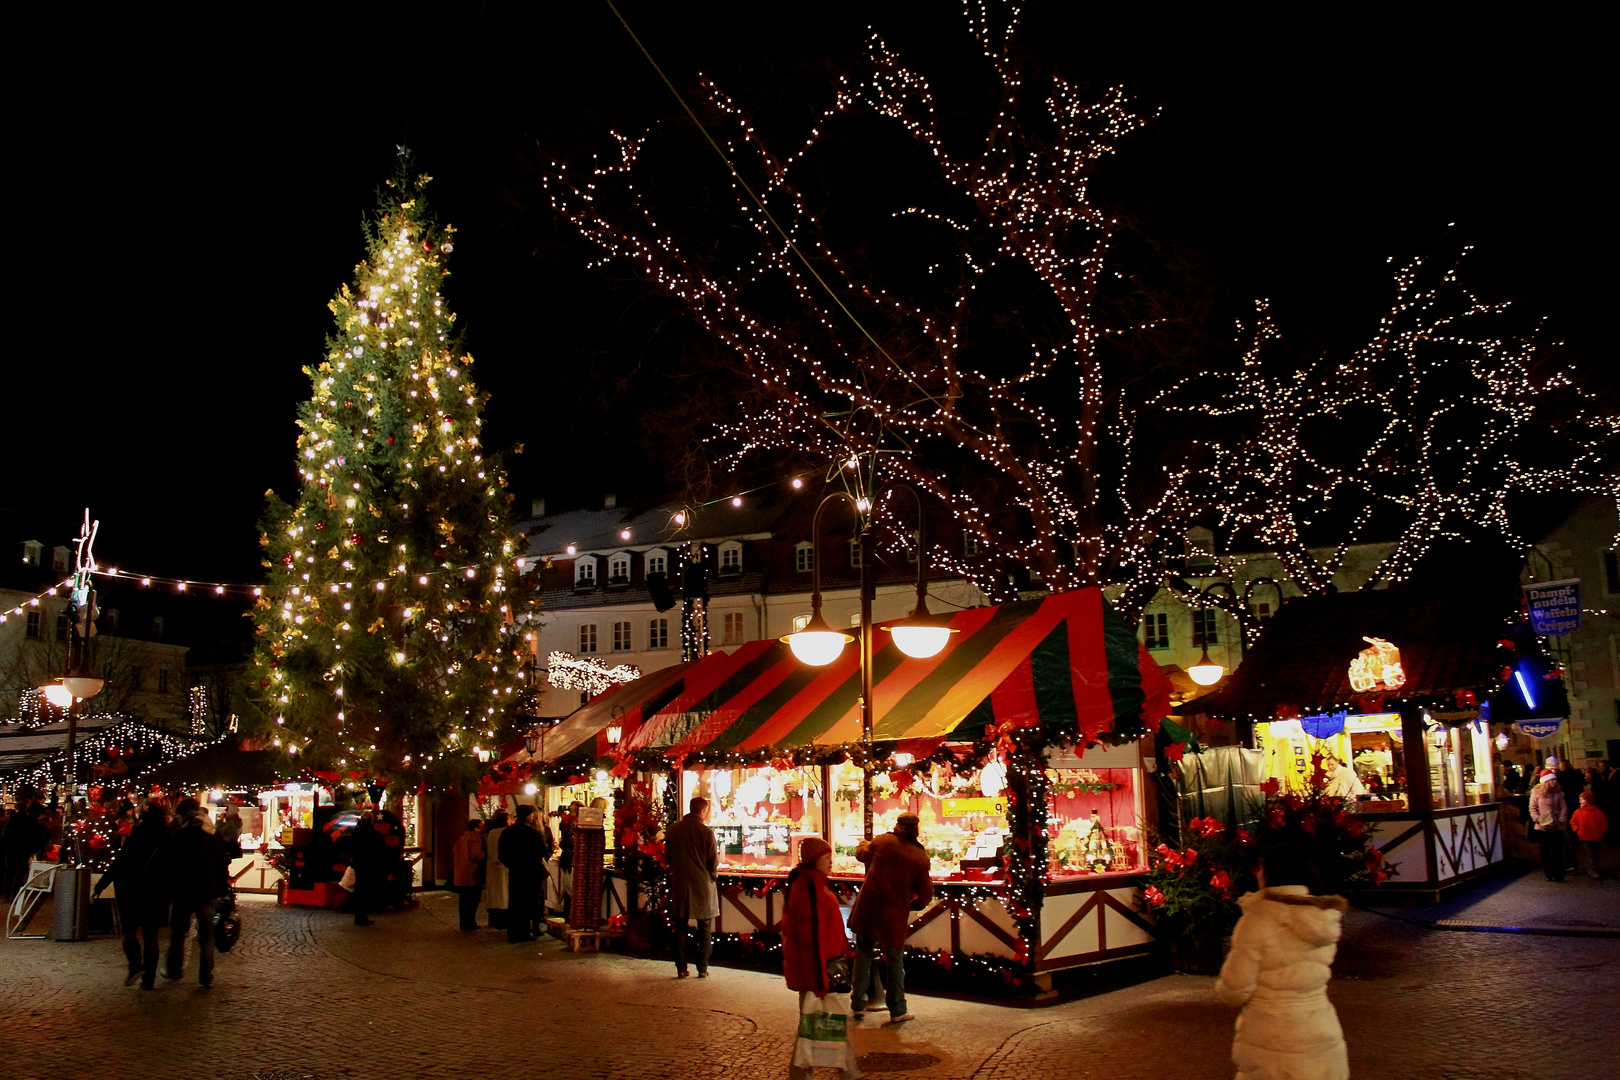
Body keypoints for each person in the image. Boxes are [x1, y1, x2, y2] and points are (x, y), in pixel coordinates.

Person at [1215, 845, 1349, 1080]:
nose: (1257, 873)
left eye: (1261, 868)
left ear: (1271, 873)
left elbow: (1234, 990)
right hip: (1320, 1027)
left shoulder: (1258, 920)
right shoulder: (1322, 920)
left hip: (1271, 1038)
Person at [782, 837, 857, 1080]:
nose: (831, 862)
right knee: (815, 1022)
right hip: (819, 968)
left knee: (824, 1020)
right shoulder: (809, 887)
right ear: (814, 859)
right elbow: (811, 936)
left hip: (827, 965)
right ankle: (836, 1072)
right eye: (826, 857)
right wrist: (819, 977)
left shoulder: (815, 883)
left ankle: (843, 1071)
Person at [848, 812, 932, 1024]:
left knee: (863, 953)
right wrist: (915, 904)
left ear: (898, 825)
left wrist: (861, 843)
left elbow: (862, 855)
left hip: (870, 907)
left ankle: (858, 1003)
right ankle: (897, 1009)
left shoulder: (883, 841)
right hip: (894, 914)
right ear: (916, 829)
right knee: (895, 960)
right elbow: (925, 894)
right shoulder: (919, 856)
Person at [93, 803, 171, 988]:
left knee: (128, 933)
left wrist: (101, 884)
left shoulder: (138, 834)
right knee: (152, 936)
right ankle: (149, 979)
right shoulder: (168, 837)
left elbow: (121, 861)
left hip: (132, 890)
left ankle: (136, 965)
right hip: (156, 892)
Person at [162, 798, 229, 988]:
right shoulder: (213, 832)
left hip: (184, 890)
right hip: (207, 890)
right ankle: (206, 976)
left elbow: (173, 862)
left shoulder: (183, 832)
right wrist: (222, 890)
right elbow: (221, 863)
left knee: (178, 933)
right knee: (207, 935)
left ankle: (174, 970)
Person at [665, 796, 718, 978]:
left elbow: (668, 858)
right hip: (702, 885)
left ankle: (681, 968)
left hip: (681, 884)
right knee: (704, 927)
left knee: (680, 927)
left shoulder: (673, 830)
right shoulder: (705, 832)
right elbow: (713, 861)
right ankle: (702, 968)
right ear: (703, 811)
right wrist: (713, 875)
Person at [499, 805, 546, 942]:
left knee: (515, 901)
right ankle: (524, 933)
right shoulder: (532, 833)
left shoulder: (507, 832)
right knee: (529, 902)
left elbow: (501, 854)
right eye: (531, 815)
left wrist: (510, 864)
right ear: (527, 816)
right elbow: (542, 850)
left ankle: (514, 932)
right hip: (531, 872)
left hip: (515, 872)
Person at [1529, 770, 1570, 882]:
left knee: (1558, 850)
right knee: (1546, 851)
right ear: (1546, 781)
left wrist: (1561, 820)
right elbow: (1532, 807)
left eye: (1555, 779)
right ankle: (1549, 873)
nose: (1554, 782)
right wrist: (1538, 820)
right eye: (1552, 779)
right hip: (1543, 826)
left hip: (1557, 825)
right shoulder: (1536, 792)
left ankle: (1559, 874)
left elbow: (1563, 807)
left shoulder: (1558, 792)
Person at [348, 812, 385, 925]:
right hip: (370, 866)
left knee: (359, 890)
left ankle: (359, 916)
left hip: (360, 865)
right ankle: (362, 916)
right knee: (366, 891)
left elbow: (352, 848)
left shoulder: (356, 833)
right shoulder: (375, 834)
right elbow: (381, 851)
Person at [451, 818, 486, 930]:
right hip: (472, 873)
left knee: (464, 900)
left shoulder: (461, 839)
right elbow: (476, 855)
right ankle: (470, 922)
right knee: (472, 900)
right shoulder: (475, 838)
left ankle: (464, 922)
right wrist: (484, 854)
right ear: (477, 827)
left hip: (460, 872)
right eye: (481, 826)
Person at [1569, 791, 1608, 880]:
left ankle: (1593, 868)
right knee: (1591, 854)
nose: (1580, 801)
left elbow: (1604, 822)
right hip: (1585, 837)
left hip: (1596, 837)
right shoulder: (1578, 812)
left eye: (1582, 800)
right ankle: (1593, 870)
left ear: (1589, 801)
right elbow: (1573, 822)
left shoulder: (1597, 812)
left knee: (1595, 853)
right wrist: (1577, 830)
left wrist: (1601, 831)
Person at [483, 809, 510, 929]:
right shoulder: (505, 832)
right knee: (503, 893)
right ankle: (503, 919)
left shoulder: (491, 833)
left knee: (494, 893)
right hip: (503, 866)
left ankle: (494, 918)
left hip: (492, 866)